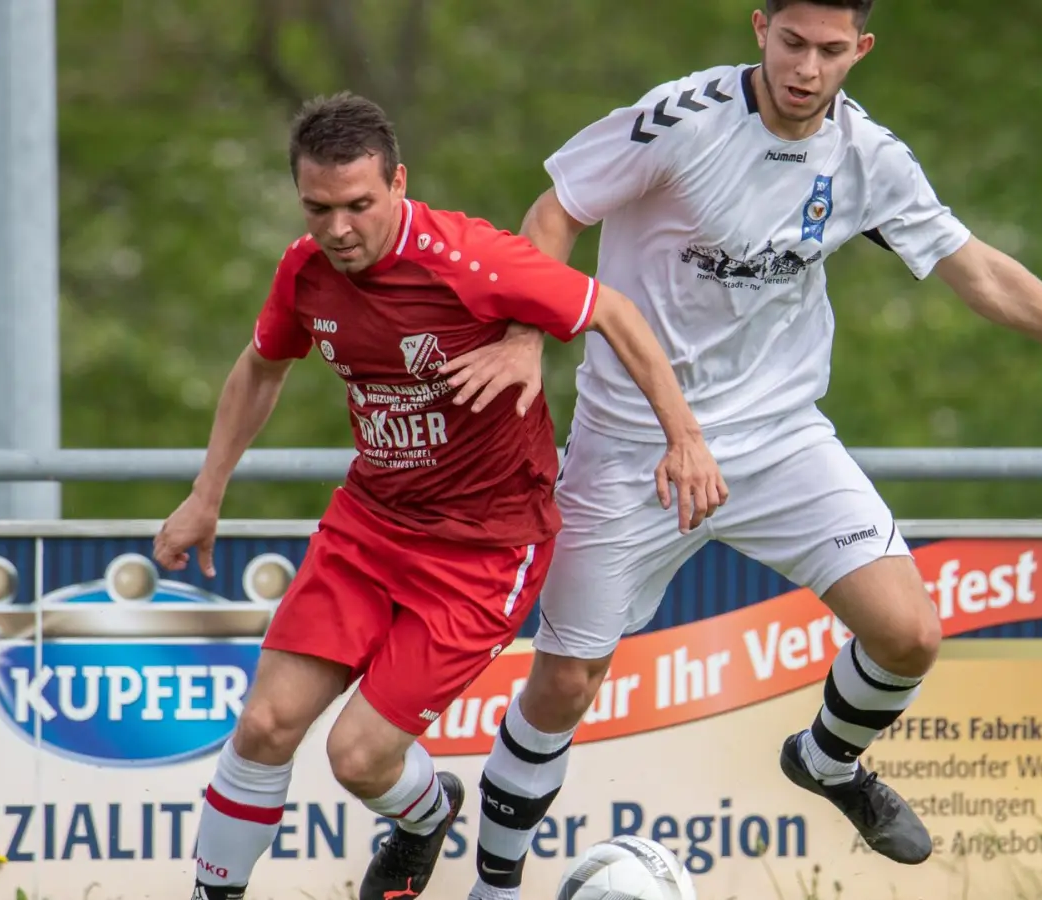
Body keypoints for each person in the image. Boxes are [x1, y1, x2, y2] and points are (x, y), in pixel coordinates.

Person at [432, 1, 1042, 897]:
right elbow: (555, 211)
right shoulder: (680, 119)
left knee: (910, 634)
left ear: (860, 51)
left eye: (832, 50)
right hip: (634, 443)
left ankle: (828, 762)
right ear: (760, 29)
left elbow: (975, 268)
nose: (807, 66)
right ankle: (494, 887)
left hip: (782, 440)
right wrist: (528, 334)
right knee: (562, 684)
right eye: (792, 43)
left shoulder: (868, 158)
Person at [151, 91, 727, 900]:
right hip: (370, 524)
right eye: (319, 208)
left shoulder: (470, 259)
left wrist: (685, 437)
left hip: (483, 549)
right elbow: (260, 367)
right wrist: (205, 495)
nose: (340, 229)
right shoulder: (305, 271)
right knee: (264, 725)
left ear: (398, 184)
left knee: (357, 757)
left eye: (359, 205)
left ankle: (424, 816)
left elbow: (616, 313)